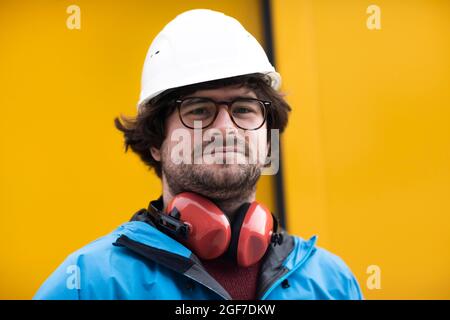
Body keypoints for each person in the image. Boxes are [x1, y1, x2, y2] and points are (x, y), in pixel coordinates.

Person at [34, 9, 363, 300]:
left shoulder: (332, 284)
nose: (224, 128)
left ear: (268, 137)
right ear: (155, 141)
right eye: (199, 110)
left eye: (244, 108)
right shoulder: (88, 286)